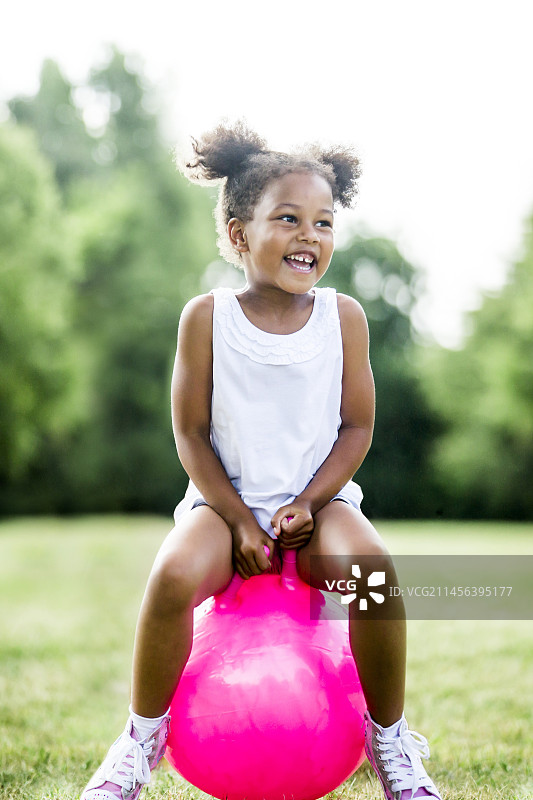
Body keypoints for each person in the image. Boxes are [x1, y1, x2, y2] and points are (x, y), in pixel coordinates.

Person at [81, 121, 442, 800]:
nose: (310, 235)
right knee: (169, 577)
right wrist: (239, 519)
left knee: (374, 576)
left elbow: (356, 427)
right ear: (239, 233)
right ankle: (141, 738)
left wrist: (308, 503)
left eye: (323, 222)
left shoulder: (344, 318)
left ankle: (388, 738)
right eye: (288, 218)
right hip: (222, 508)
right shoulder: (205, 316)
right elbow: (190, 434)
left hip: (320, 504)